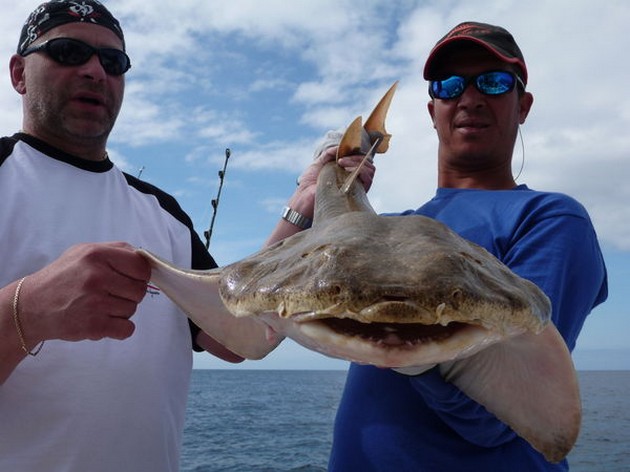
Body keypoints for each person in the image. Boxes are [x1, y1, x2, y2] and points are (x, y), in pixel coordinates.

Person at [269, 22, 608, 471]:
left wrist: (391, 331)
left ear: (522, 105)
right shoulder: (387, 230)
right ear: (433, 111)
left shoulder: (551, 219)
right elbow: (255, 324)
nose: (469, 97)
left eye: (493, 81)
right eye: (449, 85)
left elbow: (498, 414)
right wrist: (309, 199)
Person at [0, 1, 277, 470]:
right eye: (68, 52)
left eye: (113, 62)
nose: (94, 71)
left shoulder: (164, 213)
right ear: (19, 73)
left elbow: (243, 334)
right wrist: (26, 310)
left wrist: (306, 207)